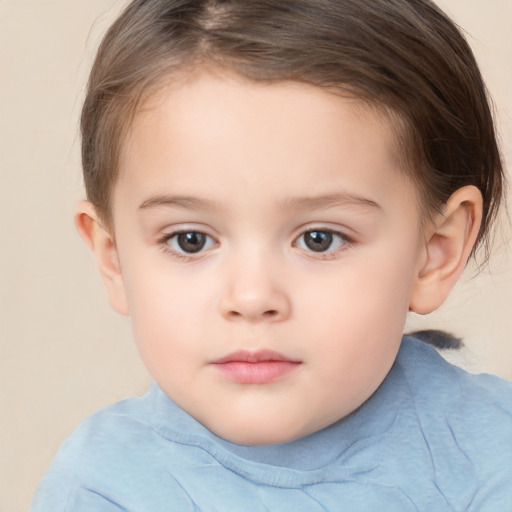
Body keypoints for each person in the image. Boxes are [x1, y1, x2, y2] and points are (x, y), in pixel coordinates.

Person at [31, 0, 512, 510]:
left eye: (319, 239)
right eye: (189, 239)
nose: (252, 297)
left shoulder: (491, 461)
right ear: (114, 260)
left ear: (434, 252)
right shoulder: (102, 487)